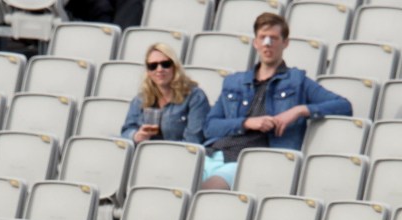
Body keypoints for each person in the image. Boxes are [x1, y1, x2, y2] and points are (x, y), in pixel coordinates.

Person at [201, 12, 353, 190]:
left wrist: (299, 110)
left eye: (273, 38)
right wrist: (247, 122)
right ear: (255, 42)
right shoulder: (234, 82)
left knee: (210, 188)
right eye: (263, 38)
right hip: (212, 154)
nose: (267, 44)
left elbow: (344, 106)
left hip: (250, 161)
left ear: (285, 43)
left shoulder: (297, 81)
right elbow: (210, 126)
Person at [121, 43, 210, 145]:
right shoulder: (141, 99)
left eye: (165, 64)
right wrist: (136, 136)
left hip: (179, 153)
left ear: (175, 66)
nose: (159, 69)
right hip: (146, 152)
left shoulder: (195, 97)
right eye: (153, 66)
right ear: (148, 71)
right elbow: (126, 131)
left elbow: (193, 140)